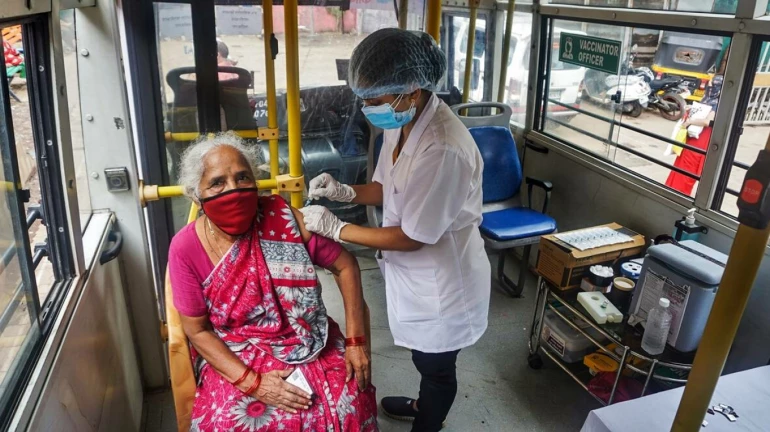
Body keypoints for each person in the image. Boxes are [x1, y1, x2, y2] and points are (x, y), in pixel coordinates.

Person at [300, 28, 491, 432]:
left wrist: (336, 228)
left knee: (437, 367)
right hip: (415, 277)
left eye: (375, 100)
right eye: (365, 99)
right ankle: (423, 403)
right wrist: (345, 190)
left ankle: (428, 421)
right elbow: (387, 186)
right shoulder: (400, 121)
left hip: (444, 286)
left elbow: (412, 237)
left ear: (412, 90)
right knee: (423, 357)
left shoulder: (443, 147)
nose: (368, 108)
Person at [168, 132, 378, 431]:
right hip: (235, 349)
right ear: (196, 195)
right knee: (229, 423)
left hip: (306, 338)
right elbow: (197, 330)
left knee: (350, 403)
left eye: (242, 177)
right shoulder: (186, 247)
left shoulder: (281, 217)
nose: (234, 189)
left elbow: (345, 266)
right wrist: (254, 383)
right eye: (217, 182)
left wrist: (356, 341)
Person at [665, 75, 723, 196]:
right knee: (681, 165)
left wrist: (690, 121)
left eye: (712, 84)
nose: (709, 86)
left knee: (687, 169)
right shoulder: (708, 99)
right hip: (692, 138)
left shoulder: (716, 103)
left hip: (699, 141)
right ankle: (671, 191)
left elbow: (707, 121)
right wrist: (691, 109)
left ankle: (678, 195)